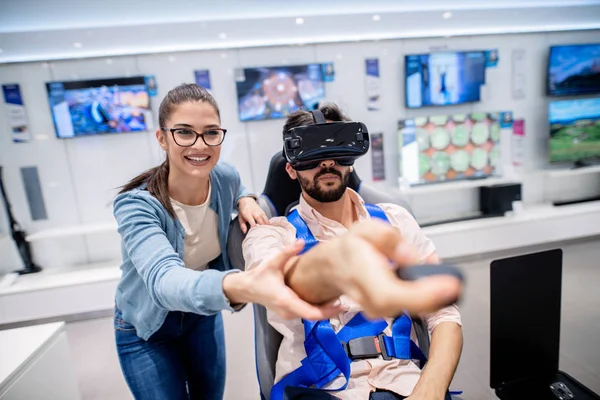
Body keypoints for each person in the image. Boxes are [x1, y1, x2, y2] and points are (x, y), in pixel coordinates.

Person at [112, 84, 345, 400]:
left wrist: (246, 199)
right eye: (184, 132)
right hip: (145, 329)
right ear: (162, 138)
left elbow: (236, 187)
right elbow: (163, 281)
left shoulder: (225, 177)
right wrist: (242, 286)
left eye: (210, 133)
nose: (199, 145)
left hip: (201, 318)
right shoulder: (137, 205)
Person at [243, 104, 463, 400]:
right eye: (313, 154)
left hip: (404, 380)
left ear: (352, 159)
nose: (327, 162)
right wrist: (342, 265)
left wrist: (432, 387)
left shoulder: (395, 221)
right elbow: (277, 278)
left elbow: (444, 314)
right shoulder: (271, 235)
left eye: (337, 150)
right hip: (318, 386)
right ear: (291, 169)